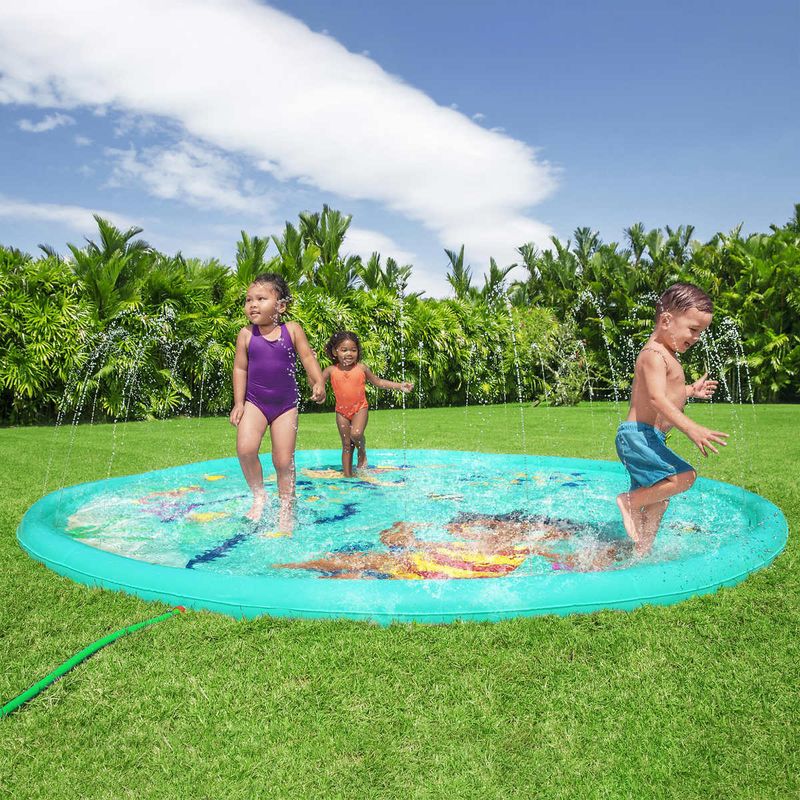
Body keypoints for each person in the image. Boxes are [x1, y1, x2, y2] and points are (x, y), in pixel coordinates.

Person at [615, 282, 729, 556]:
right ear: (666, 320)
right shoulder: (652, 354)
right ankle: (627, 501)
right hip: (637, 435)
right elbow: (656, 399)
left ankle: (640, 554)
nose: (697, 337)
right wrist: (692, 429)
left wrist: (690, 391)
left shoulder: (666, 354)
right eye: (693, 329)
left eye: (701, 331)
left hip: (648, 437)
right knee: (684, 477)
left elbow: (667, 393)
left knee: (659, 499)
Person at [229, 273, 325, 530]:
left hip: (285, 406)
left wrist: (318, 381)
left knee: (283, 460)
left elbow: (307, 358)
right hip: (255, 402)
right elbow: (240, 369)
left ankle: (286, 503)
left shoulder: (291, 330)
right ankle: (259, 496)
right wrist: (239, 403)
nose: (253, 304)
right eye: (249, 299)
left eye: (261, 298)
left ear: (280, 306)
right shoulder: (246, 335)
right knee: (245, 449)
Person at [321, 331, 413, 477]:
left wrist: (400, 386)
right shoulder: (330, 370)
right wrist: (317, 388)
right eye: (344, 350)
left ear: (358, 351)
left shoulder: (361, 368)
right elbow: (316, 384)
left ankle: (362, 450)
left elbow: (379, 382)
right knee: (346, 445)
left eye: (353, 350)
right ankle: (348, 476)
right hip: (341, 412)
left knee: (356, 434)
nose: (349, 354)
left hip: (360, 408)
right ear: (335, 351)